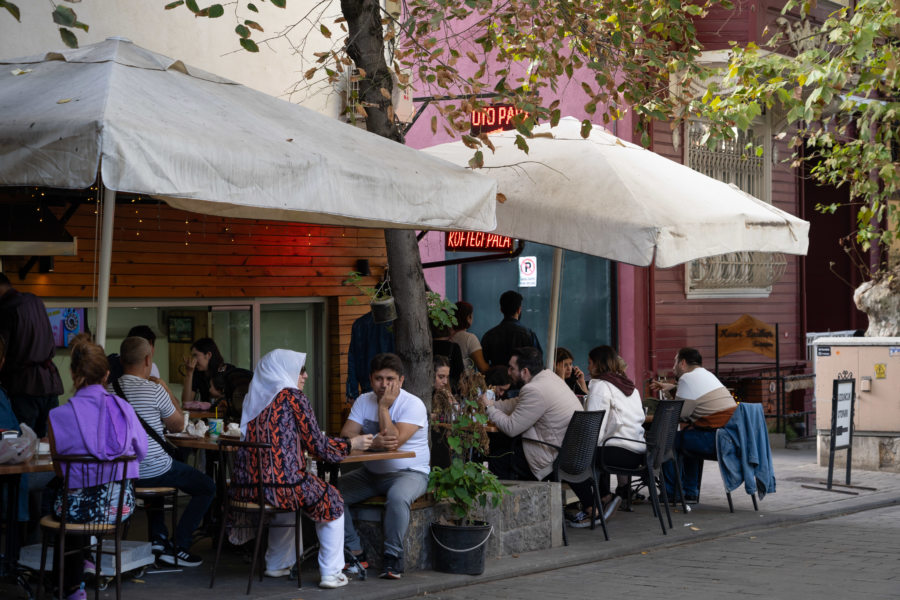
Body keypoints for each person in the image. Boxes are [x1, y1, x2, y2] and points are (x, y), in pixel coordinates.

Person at [231, 350, 372, 589]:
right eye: (300, 370)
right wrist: (351, 444)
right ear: (283, 371)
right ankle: (332, 572)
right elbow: (319, 447)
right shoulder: (293, 397)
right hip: (281, 486)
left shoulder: (253, 398)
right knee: (332, 498)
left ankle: (276, 564)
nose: (305, 376)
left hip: (247, 488)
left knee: (286, 503)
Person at [47, 335, 147, 600]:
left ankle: (70, 587)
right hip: (118, 508)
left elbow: (59, 471)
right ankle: (83, 565)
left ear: (72, 372)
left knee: (60, 498)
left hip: (75, 509)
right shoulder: (124, 409)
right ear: (106, 374)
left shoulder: (57, 416)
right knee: (76, 501)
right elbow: (142, 453)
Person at [112, 336, 215, 566]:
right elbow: (178, 425)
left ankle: (158, 538)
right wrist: (166, 388)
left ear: (121, 360)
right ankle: (179, 545)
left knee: (153, 474)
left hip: (124, 473)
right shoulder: (154, 390)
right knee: (207, 486)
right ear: (148, 359)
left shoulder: (109, 391)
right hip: (154, 469)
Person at [339, 353, 430, 580]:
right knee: (331, 493)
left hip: (410, 473)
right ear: (371, 379)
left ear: (401, 380)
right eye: (379, 379)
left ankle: (393, 558)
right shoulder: (362, 400)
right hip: (371, 473)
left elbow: (393, 441)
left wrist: (383, 408)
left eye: (390, 379)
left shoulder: (413, 404)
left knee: (398, 498)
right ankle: (355, 553)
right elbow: (346, 436)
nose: (384, 384)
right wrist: (371, 443)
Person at [568, 346, 646, 527]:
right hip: (638, 453)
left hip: (617, 452)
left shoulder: (600, 385)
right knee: (594, 451)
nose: (588, 368)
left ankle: (593, 508)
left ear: (598, 364)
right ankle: (605, 497)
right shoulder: (630, 386)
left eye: (590, 363)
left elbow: (594, 428)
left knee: (572, 460)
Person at [650, 347, 737, 503]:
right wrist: (673, 389)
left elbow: (679, 414)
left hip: (718, 439)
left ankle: (671, 493)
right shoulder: (707, 374)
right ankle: (690, 491)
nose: (673, 367)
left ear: (683, 363)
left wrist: (650, 416)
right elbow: (692, 404)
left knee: (669, 441)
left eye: (675, 362)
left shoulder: (687, 378)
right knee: (688, 439)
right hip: (731, 438)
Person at [481, 347, 582, 481]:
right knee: (502, 448)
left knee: (494, 459)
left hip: (549, 457)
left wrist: (489, 408)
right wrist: (493, 405)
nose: (508, 372)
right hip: (568, 452)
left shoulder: (534, 389)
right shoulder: (548, 377)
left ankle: (507, 501)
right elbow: (517, 403)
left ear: (524, 372)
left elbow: (511, 428)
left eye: (511, 368)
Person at [0, 273, 64, 438]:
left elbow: (2, 350)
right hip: (49, 383)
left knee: (24, 442)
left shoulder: (6, 309)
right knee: (47, 441)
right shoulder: (35, 300)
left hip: (24, 386)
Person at [481, 290, 542, 370]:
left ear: (501, 310)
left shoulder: (489, 335)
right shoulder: (529, 334)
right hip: (523, 382)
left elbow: (483, 364)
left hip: (497, 381)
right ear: (519, 310)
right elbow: (538, 362)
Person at [346, 312, 395, 403]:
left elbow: (352, 360)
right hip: (395, 383)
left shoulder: (360, 324)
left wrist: (352, 392)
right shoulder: (398, 322)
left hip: (369, 384)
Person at [181, 337, 234, 408]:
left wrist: (219, 396)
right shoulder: (198, 373)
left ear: (208, 355)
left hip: (225, 418)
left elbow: (238, 400)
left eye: (195, 355)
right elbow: (186, 403)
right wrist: (189, 374)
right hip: (206, 418)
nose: (193, 360)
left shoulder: (228, 371)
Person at [449, 301, 489, 373]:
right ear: (468, 317)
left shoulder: (447, 337)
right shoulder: (469, 338)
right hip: (465, 382)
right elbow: (483, 368)